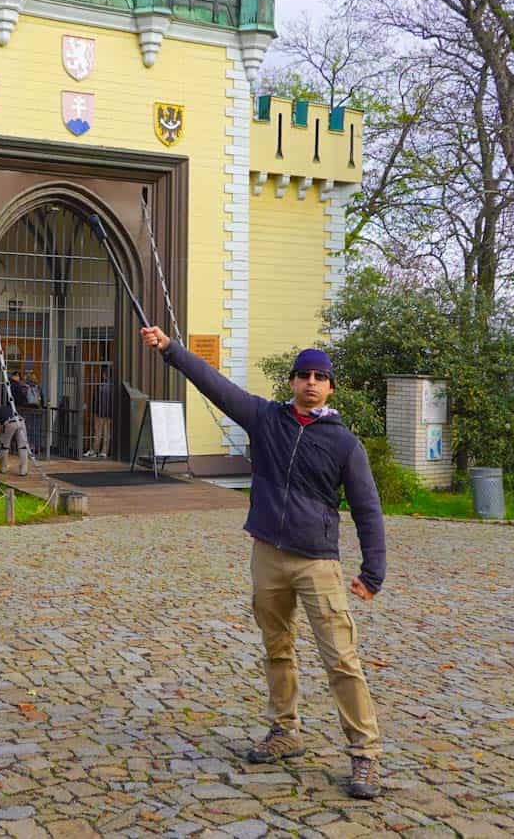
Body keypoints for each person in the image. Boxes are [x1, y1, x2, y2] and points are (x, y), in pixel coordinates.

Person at [141, 327, 386, 802]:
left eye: (320, 377)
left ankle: (365, 753)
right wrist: (171, 349)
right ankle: (285, 730)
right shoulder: (265, 419)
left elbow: (367, 508)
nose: (311, 383)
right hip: (268, 556)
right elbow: (214, 383)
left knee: (340, 658)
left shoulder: (344, 444)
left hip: (318, 564)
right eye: (303, 376)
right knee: (277, 649)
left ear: (330, 387)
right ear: (291, 382)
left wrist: (373, 570)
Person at [85, 367, 113, 458]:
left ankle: (94, 450)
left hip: (99, 412)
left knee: (97, 432)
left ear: (104, 375)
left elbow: (96, 400)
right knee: (106, 433)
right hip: (109, 413)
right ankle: (104, 451)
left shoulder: (100, 386)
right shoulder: (113, 386)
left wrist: (93, 411)